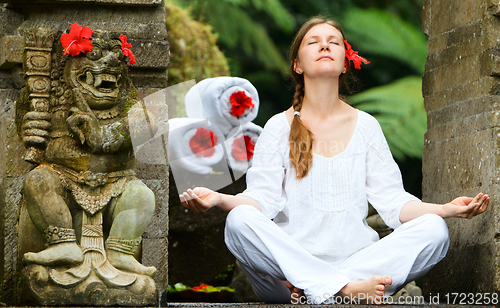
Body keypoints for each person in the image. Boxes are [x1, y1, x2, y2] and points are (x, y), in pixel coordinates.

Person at [178, 16, 490, 304]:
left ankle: (324, 288)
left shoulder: (366, 126)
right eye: (313, 41)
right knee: (238, 222)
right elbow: (261, 201)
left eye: (334, 41)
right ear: (297, 64)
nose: (325, 44)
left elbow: (394, 203)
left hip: (355, 265)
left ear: (344, 63)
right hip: (286, 274)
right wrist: (218, 199)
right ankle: (341, 291)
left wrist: (447, 210)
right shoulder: (278, 127)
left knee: (435, 230)